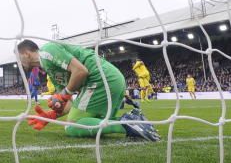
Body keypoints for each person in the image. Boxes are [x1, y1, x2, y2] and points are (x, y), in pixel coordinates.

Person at [17, 39, 158, 141]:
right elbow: (67, 106)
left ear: (26, 53)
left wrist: (64, 94)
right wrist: (52, 115)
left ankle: (128, 125)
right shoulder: (50, 70)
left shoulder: (47, 51)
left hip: (101, 80)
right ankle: (134, 120)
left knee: (71, 125)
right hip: (112, 80)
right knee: (92, 121)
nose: (18, 62)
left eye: (18, 58)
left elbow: (80, 71)